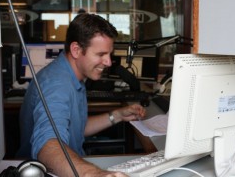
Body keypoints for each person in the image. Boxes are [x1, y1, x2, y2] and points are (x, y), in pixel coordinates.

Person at [17, 13, 146, 177]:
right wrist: (94, 175)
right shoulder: (57, 85)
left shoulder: (74, 75)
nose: (108, 62)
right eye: (100, 54)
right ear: (76, 50)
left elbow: (78, 128)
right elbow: (47, 145)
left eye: (109, 54)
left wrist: (118, 115)